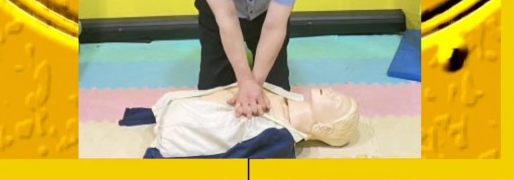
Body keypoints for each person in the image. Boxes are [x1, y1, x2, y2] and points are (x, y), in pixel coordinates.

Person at [146, 83, 359, 159]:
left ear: (326, 128)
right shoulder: (287, 97)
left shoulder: (281, 139)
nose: (332, 92)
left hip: (184, 127)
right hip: (183, 107)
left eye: (338, 102)